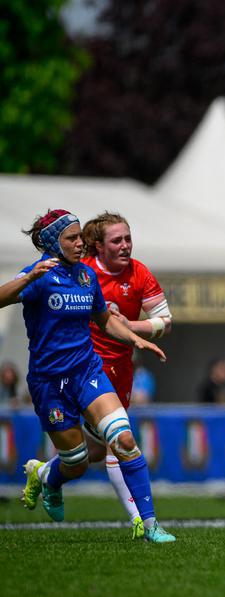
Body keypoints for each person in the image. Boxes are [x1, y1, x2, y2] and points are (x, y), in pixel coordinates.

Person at [0, 209, 175, 543]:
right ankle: (48, 479)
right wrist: (28, 278)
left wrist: (136, 339)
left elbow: (104, 320)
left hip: (87, 371)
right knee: (77, 462)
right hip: (49, 382)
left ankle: (151, 525)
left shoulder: (85, 275)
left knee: (124, 441)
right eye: (72, 238)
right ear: (54, 242)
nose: (81, 243)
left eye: (81, 236)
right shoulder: (39, 276)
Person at [80, 212, 174, 539]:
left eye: (128, 238)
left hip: (121, 368)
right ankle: (143, 522)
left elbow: (165, 322)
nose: (125, 245)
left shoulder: (139, 273)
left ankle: (47, 476)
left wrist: (130, 326)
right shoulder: (83, 273)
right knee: (120, 441)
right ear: (98, 246)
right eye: (116, 240)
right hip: (85, 368)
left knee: (87, 454)